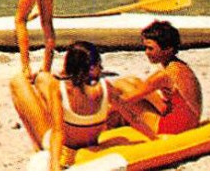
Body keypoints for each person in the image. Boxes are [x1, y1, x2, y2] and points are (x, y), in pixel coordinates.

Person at [10, 41, 149, 171]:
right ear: (93, 67)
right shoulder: (106, 88)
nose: (101, 68)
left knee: (18, 82)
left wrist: (54, 164)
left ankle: (37, 146)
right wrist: (154, 138)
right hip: (90, 142)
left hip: (64, 148)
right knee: (42, 78)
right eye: (99, 64)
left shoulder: (59, 89)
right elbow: (133, 118)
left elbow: (58, 132)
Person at [111, 20, 204, 136]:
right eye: (145, 48)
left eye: (151, 48)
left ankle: (108, 125)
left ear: (168, 49)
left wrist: (97, 114)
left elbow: (124, 100)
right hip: (189, 119)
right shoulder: (179, 66)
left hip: (175, 127)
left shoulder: (163, 75)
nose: (146, 53)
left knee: (121, 88)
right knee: (131, 81)